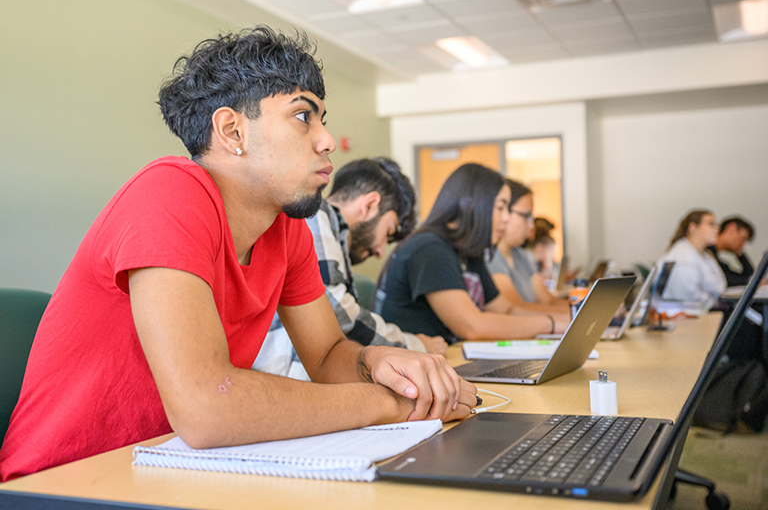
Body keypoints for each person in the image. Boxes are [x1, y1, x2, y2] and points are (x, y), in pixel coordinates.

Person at [0, 27, 476, 482]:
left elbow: (328, 354)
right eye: (303, 116)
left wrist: (378, 364)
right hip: (62, 481)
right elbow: (207, 408)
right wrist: (389, 404)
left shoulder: (284, 229)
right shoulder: (168, 194)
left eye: (323, 121)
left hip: (173, 470)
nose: (327, 139)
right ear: (232, 131)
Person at [253, 158, 447, 379]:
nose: (380, 252)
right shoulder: (317, 217)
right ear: (370, 205)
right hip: (284, 383)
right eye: (388, 232)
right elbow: (338, 312)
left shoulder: (330, 233)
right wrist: (415, 344)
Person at [374, 163, 569, 344]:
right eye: (501, 207)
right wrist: (549, 324)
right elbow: (472, 326)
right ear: (471, 206)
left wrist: (568, 320)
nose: (506, 218)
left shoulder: (468, 252)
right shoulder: (430, 248)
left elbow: (506, 310)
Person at [486, 179, 570, 314]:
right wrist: (572, 316)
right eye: (526, 216)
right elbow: (516, 309)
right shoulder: (489, 256)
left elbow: (547, 301)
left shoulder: (521, 255)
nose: (531, 226)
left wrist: (586, 312)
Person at [657, 209, 726, 310]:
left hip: (703, 312)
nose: (717, 229)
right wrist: (715, 302)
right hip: (687, 316)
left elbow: (721, 285)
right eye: (711, 224)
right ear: (693, 227)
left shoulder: (705, 255)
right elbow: (690, 297)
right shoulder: (682, 256)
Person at [707, 216, 756, 287]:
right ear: (731, 228)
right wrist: (750, 280)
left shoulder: (719, 260)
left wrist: (740, 255)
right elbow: (723, 279)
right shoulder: (706, 251)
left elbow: (749, 275)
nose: (743, 245)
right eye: (742, 238)